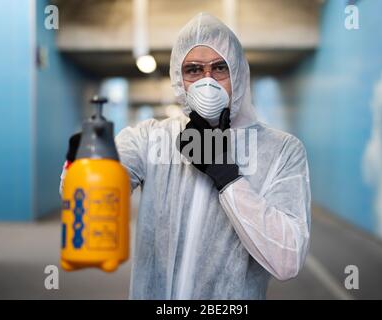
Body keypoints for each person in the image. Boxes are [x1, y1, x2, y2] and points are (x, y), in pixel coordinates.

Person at [61, 12, 311, 299]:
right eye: (193, 70)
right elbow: (79, 197)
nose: (208, 82)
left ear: (239, 74)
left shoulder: (281, 151)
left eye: (220, 68)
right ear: (179, 79)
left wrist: (228, 178)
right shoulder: (150, 138)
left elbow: (288, 259)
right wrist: (83, 161)